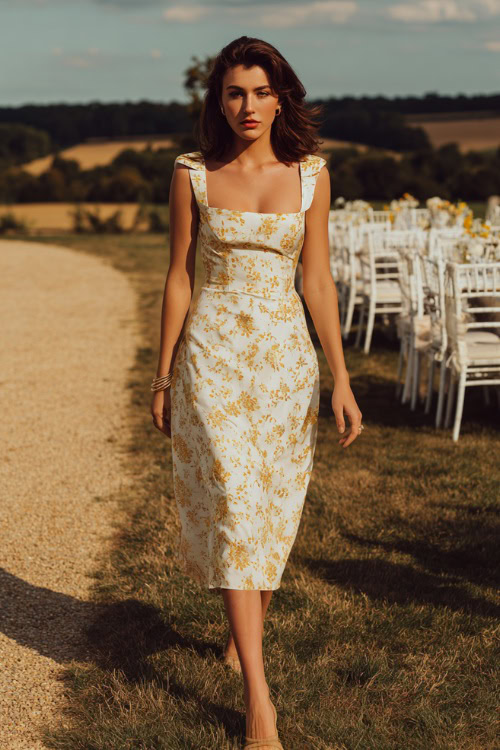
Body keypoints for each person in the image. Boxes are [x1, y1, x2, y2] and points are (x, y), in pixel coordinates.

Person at [150, 35, 363, 750]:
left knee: (270, 510)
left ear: (281, 98)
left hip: (284, 366)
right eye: (235, 92)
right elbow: (179, 276)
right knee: (238, 507)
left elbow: (319, 281)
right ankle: (258, 703)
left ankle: (244, 634)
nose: (248, 106)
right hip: (212, 358)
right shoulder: (192, 174)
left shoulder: (310, 177)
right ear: (218, 99)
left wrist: (340, 376)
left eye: (261, 92)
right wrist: (164, 371)